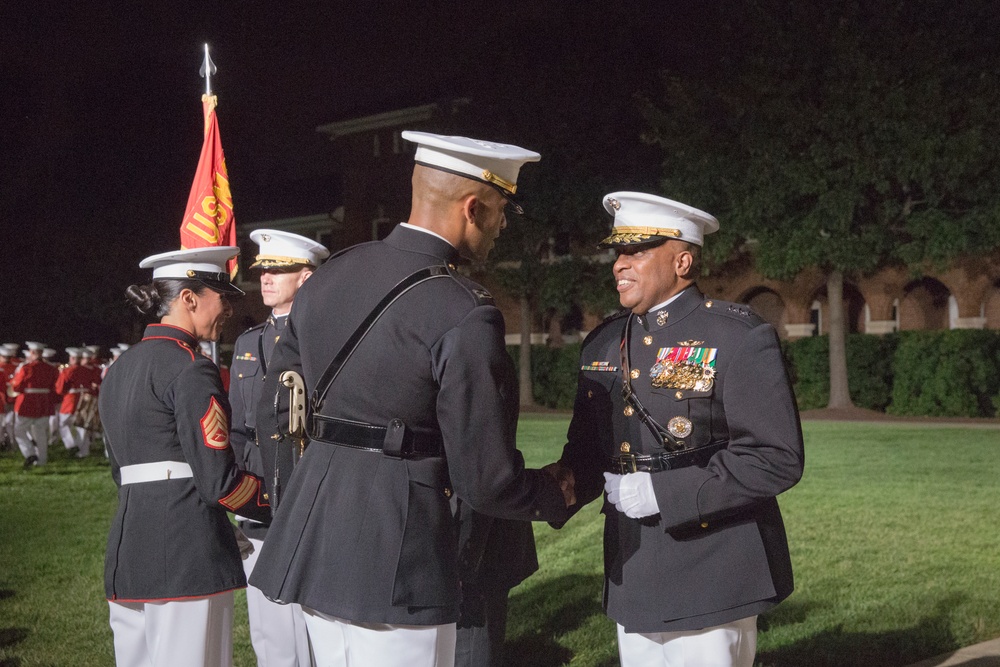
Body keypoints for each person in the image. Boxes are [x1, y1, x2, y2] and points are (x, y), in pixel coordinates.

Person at [249, 131, 573, 667]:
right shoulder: (462, 308)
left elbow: (278, 409)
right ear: (473, 208)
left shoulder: (329, 278)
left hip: (315, 531)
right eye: (500, 213)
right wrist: (553, 492)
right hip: (401, 548)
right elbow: (485, 479)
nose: (502, 226)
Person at [553, 192, 804, 667]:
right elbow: (588, 450)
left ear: (683, 260)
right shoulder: (604, 341)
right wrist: (553, 488)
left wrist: (664, 494)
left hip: (713, 561)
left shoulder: (735, 336)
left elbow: (775, 457)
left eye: (638, 251)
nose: (620, 265)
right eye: (618, 253)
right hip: (634, 562)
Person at [100, 246, 272, 667]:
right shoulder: (191, 367)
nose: (229, 309)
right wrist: (281, 502)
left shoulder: (120, 368)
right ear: (189, 299)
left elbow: (119, 470)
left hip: (129, 548)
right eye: (222, 298)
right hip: (187, 550)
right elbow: (219, 482)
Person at [229, 229, 328, 667]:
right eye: (264, 269)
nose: (267, 277)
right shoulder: (249, 343)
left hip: (310, 483)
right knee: (268, 621)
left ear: (305, 278)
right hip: (257, 490)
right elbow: (235, 426)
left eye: (279, 269)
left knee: (319, 615)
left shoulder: (326, 338)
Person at [11, 341, 60, 468]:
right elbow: (55, 386)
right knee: (41, 432)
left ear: (31, 352)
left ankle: (29, 452)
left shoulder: (26, 367)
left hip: (28, 402)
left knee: (19, 430)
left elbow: (17, 386)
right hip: (44, 402)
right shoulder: (51, 368)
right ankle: (42, 460)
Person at [0, 344, 20, 450]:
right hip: (4, 397)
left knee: (9, 423)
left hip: (10, 397)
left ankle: (10, 444)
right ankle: (6, 442)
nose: (7, 359)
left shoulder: (14, 366)